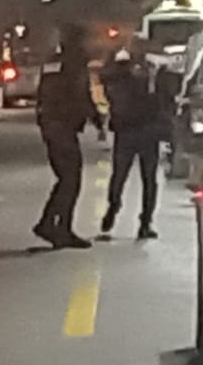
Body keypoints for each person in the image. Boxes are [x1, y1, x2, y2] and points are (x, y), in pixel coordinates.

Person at [33, 23, 104, 249]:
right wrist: (96, 118)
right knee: (71, 178)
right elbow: (80, 92)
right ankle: (56, 227)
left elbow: (42, 91)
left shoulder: (53, 61)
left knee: (66, 177)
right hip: (62, 124)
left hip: (49, 122)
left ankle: (52, 224)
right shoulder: (75, 61)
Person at [99, 43, 167, 241]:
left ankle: (114, 208)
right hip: (147, 130)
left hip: (126, 131)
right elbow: (161, 100)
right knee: (149, 180)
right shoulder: (151, 72)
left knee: (120, 175)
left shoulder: (119, 73)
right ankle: (145, 223)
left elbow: (105, 81)